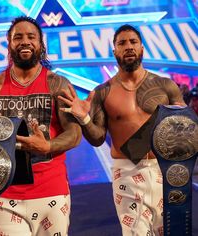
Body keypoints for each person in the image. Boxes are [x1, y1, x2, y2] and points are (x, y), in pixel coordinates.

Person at [58, 24, 186, 236]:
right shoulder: (103, 92)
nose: (128, 47)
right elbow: (98, 138)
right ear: (114, 51)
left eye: (133, 42)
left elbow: (184, 133)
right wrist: (84, 118)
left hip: (164, 170)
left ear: (142, 48)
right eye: (122, 43)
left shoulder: (166, 86)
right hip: (126, 172)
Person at [0, 16, 82, 236]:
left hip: (51, 191)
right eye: (17, 37)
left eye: (31, 36)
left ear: (40, 44)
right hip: (4, 193)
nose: (25, 41)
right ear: (9, 44)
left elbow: (74, 133)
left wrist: (46, 147)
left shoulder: (57, 84)